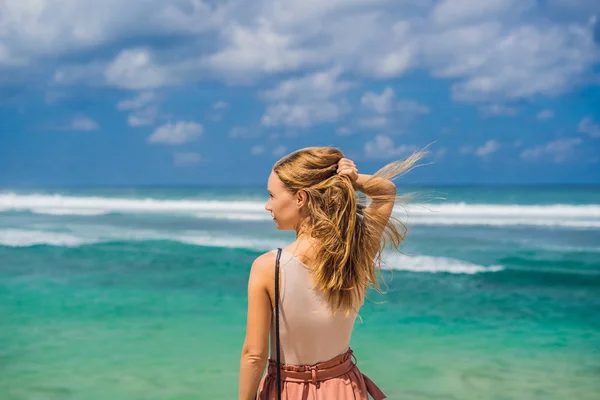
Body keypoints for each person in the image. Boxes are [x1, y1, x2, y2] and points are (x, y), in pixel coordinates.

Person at [238, 146, 424, 399]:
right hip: (345, 387)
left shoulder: (269, 266)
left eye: (272, 195)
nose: (267, 206)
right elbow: (385, 192)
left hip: (287, 390)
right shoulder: (355, 253)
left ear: (300, 198)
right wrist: (352, 180)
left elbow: (254, 355)